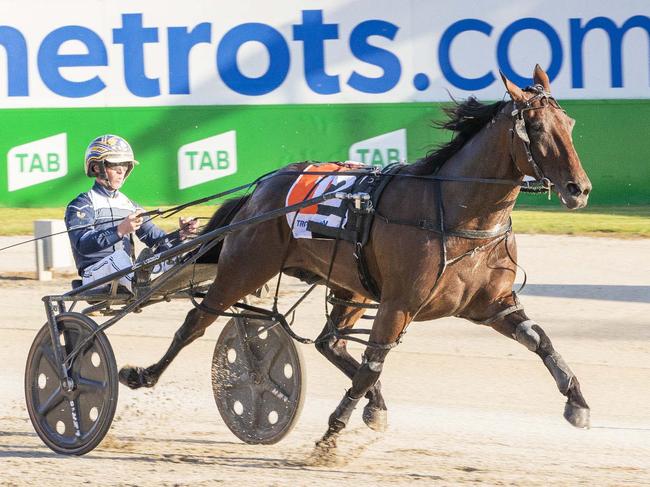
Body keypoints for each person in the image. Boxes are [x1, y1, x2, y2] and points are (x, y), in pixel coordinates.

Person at [65, 134, 199, 291]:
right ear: (96, 167)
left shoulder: (131, 206)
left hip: (127, 272)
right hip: (94, 276)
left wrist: (181, 234)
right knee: (120, 258)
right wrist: (120, 230)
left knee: (171, 257)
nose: (122, 172)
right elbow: (83, 244)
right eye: (115, 167)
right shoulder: (81, 205)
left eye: (125, 166)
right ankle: (141, 284)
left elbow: (157, 242)